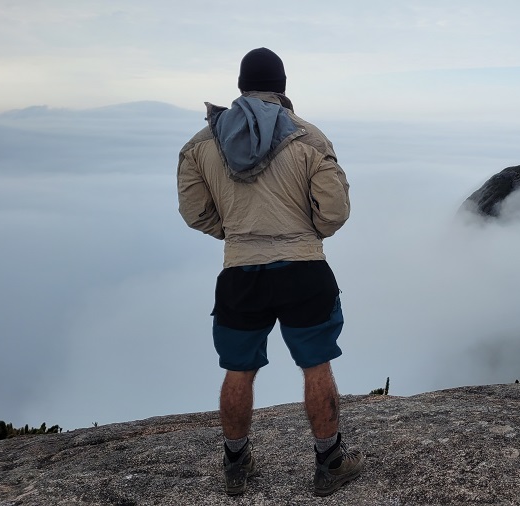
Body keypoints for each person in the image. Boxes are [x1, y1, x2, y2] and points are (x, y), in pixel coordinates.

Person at [177, 47, 362, 497]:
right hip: (303, 270)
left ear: (241, 85)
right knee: (316, 365)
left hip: (241, 272)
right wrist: (306, 233)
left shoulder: (201, 145)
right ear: (282, 86)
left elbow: (194, 212)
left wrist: (236, 234)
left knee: (238, 369)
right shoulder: (310, 138)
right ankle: (329, 464)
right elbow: (334, 211)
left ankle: (237, 466)